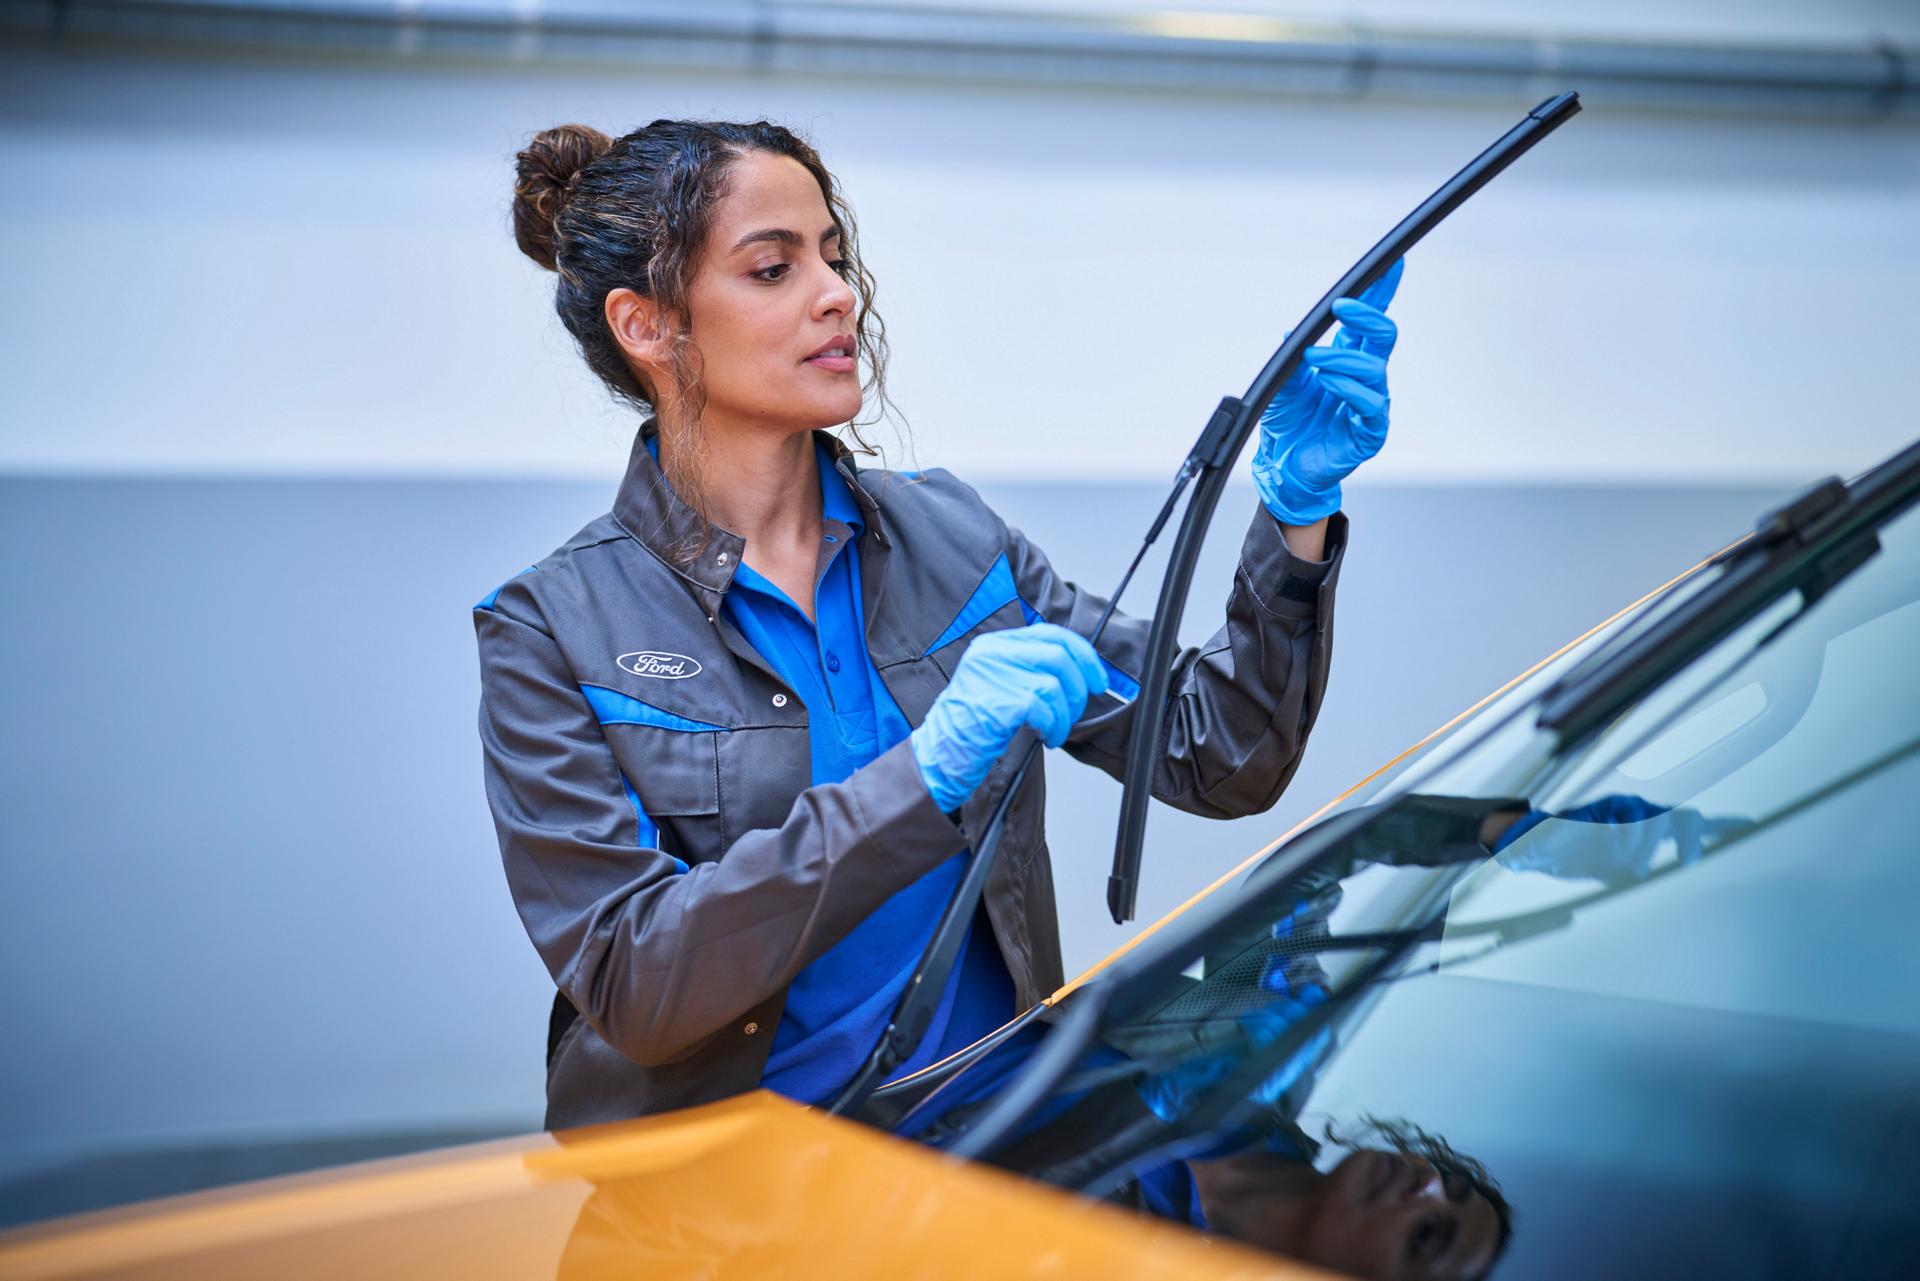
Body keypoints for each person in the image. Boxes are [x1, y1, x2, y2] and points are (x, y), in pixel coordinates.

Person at [474, 117, 1406, 1129]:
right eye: (773, 268)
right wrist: (918, 783)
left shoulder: (951, 538)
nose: (838, 293)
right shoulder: (550, 627)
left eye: (832, 254)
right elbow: (638, 984)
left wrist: (1296, 513)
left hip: (998, 1157)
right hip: (730, 1208)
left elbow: (1218, 754)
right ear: (648, 326)